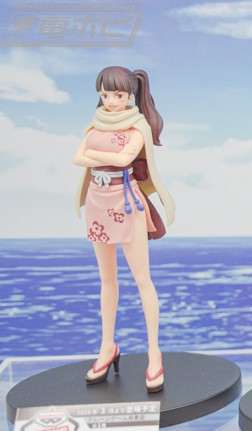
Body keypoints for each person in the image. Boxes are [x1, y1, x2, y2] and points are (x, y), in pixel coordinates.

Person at [73, 66, 175, 393]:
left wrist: (92, 154)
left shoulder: (137, 126)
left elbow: (122, 159)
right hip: (97, 201)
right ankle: (107, 346)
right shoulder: (94, 124)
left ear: (130, 95)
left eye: (117, 95)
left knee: (142, 280)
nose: (111, 101)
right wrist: (97, 156)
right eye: (105, 94)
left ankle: (154, 352)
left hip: (126, 203)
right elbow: (77, 158)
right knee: (107, 279)